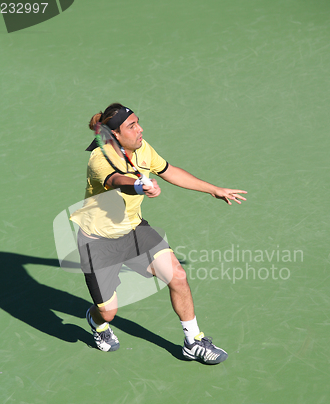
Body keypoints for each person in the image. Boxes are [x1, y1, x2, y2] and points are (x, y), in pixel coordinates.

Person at [70, 103, 247, 364]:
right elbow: (119, 181)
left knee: (177, 276)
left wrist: (213, 189)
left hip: (133, 229)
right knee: (107, 312)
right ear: (115, 135)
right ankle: (97, 323)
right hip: (99, 242)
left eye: (138, 122)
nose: (140, 129)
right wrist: (140, 185)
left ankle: (193, 341)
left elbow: (168, 171)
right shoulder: (100, 158)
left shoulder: (141, 148)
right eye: (131, 126)